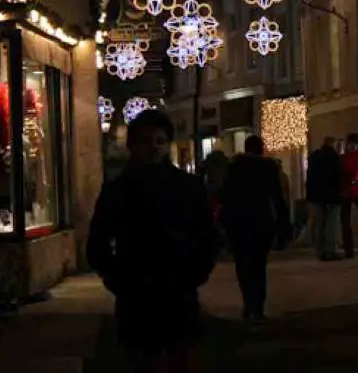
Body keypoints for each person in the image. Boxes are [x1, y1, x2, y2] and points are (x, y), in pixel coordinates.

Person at [87, 110, 218, 373]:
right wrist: (118, 280)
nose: (154, 148)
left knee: (180, 361)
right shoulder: (118, 190)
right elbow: (98, 242)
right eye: (146, 141)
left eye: (160, 141)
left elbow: (208, 235)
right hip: (136, 296)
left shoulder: (187, 187)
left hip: (178, 292)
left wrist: (195, 273)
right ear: (133, 145)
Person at [219, 135, 290, 321]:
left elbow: (225, 195)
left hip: (239, 221)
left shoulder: (234, 167)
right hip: (262, 219)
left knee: (243, 265)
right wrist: (283, 223)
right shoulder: (268, 167)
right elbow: (277, 197)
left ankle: (248, 303)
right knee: (259, 265)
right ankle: (258, 305)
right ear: (260, 148)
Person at [305, 136, 343, 260]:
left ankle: (319, 251)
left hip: (315, 196)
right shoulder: (334, 158)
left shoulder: (314, 157)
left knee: (319, 225)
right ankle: (329, 250)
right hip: (331, 197)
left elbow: (310, 178)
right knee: (330, 225)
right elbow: (337, 178)